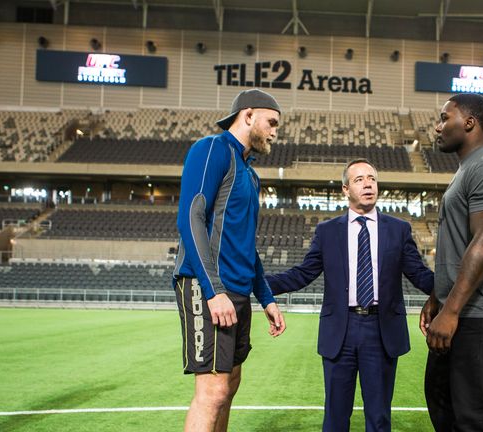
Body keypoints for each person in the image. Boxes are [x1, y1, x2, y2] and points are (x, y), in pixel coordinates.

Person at [267, 158, 433, 432]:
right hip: (340, 331)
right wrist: (257, 285)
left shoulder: (398, 229)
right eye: (359, 179)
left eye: (372, 178)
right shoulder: (327, 231)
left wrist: (454, 290)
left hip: (381, 331)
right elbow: (303, 273)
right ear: (345, 189)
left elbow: (419, 274)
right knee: (335, 418)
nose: (368, 184)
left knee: (379, 418)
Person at [173, 89, 286, 432]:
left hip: (237, 291)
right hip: (206, 286)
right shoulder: (211, 149)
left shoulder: (251, 175)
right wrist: (212, 291)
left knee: (230, 384)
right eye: (272, 123)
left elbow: (246, 245)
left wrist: (265, 297)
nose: (275, 132)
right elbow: (191, 217)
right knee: (213, 391)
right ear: (248, 115)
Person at [421, 93, 483, 432]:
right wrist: (438, 296)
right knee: (441, 400)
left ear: (469, 122)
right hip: (462, 307)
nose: (438, 127)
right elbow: (461, 243)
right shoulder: (468, 169)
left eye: (444, 118)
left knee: (474, 418)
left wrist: (450, 310)